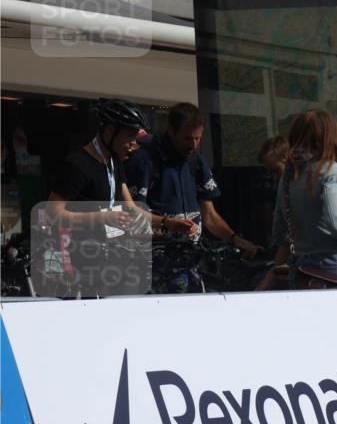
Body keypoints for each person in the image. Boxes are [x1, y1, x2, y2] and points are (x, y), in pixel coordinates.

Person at [46, 98, 193, 296]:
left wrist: (168, 222)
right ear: (109, 131)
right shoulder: (77, 165)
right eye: (130, 136)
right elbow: (53, 214)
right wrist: (102, 218)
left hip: (116, 263)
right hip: (83, 267)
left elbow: (131, 208)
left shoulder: (114, 162)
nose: (134, 144)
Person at [126, 102, 262, 292]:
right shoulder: (144, 160)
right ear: (170, 130)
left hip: (191, 259)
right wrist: (165, 227)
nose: (193, 145)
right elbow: (131, 215)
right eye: (187, 138)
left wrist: (234, 238)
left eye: (198, 139)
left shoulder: (195, 160)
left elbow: (209, 215)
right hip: (154, 263)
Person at [258, 109, 337, 290]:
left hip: (301, 265)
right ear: (327, 138)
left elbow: (279, 229)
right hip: (332, 264)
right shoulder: (330, 170)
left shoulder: (289, 175)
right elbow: (335, 220)